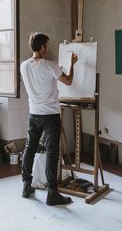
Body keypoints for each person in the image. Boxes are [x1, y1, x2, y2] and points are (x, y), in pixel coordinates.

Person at [20, 32, 78, 206]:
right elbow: (68, 81)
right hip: (51, 115)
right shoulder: (50, 65)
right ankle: (52, 193)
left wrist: (55, 71)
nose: (48, 48)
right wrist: (71, 65)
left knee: (30, 148)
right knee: (52, 153)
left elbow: (41, 78)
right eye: (47, 45)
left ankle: (26, 185)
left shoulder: (24, 65)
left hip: (34, 113)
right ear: (43, 47)